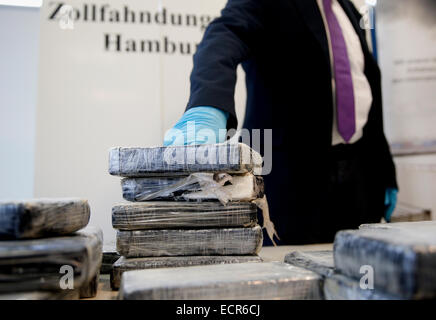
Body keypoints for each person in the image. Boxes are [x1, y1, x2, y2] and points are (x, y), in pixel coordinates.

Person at [163, 0, 398, 245]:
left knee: (354, 272)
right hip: (289, 184)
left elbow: (364, 87)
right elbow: (224, 34)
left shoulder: (347, 8)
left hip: (355, 178)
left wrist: (385, 170)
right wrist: (207, 104)